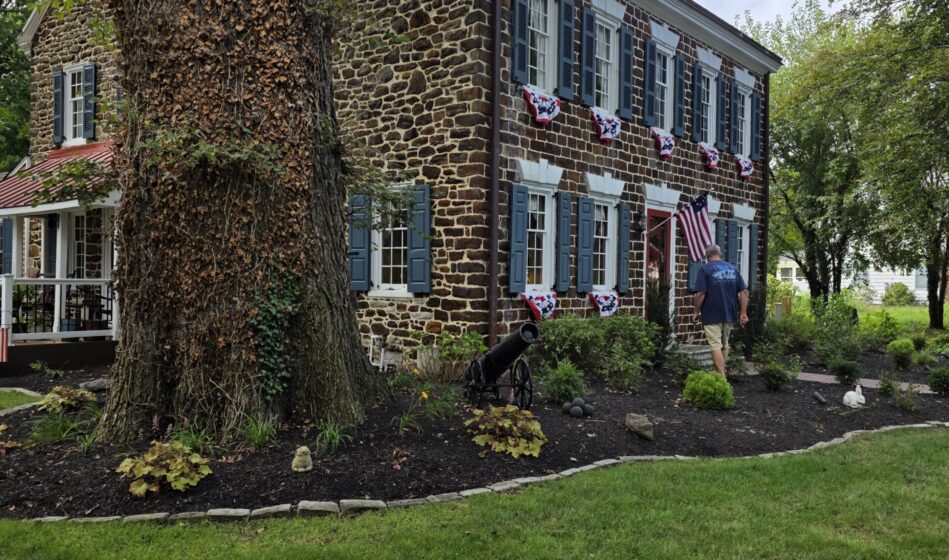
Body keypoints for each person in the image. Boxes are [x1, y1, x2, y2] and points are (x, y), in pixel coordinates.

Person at [692, 243, 749, 376]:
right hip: (729, 312)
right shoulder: (732, 268)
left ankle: (721, 379)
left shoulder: (705, 269)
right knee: (724, 344)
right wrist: (743, 313)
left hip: (712, 313)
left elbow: (700, 294)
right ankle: (721, 375)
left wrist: (695, 311)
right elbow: (744, 292)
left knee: (715, 345)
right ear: (719, 254)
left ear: (707, 256)